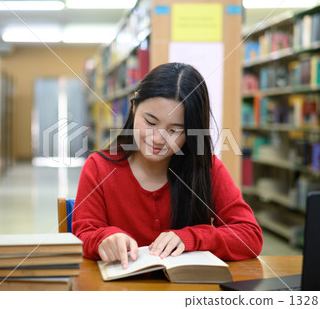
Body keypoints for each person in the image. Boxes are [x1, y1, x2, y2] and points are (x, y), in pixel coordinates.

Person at [72, 62, 263, 269]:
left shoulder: (206, 168)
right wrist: (105, 238)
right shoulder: (99, 167)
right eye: (150, 122)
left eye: (174, 131)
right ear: (134, 107)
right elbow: (83, 234)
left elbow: (249, 236)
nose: (158, 139)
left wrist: (192, 237)